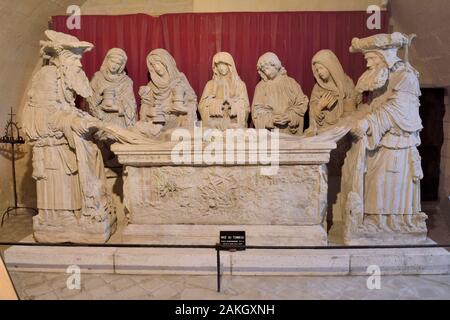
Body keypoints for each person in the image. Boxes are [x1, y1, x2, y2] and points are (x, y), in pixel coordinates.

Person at [332, 33, 427, 243]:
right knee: (375, 183)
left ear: (385, 56)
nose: (367, 63)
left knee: (386, 182)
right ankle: (374, 221)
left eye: (371, 58)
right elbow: (374, 105)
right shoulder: (383, 77)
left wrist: (368, 122)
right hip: (379, 141)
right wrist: (353, 118)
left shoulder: (406, 77)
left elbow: (396, 108)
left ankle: (391, 223)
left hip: (396, 143)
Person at [22, 30, 116, 243]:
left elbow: (65, 107)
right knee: (57, 181)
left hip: (65, 142)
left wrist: (81, 117)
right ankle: (58, 219)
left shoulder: (64, 78)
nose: (80, 65)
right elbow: (43, 113)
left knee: (86, 159)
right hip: (52, 145)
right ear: (62, 60)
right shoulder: (47, 76)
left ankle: (80, 212)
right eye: (75, 59)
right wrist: (72, 121)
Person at [138, 48, 197, 136]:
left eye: (158, 64)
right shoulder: (152, 85)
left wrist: (181, 108)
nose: (156, 68)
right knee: (138, 127)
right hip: (158, 121)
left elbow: (192, 101)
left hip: (177, 120)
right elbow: (145, 106)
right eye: (153, 65)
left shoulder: (179, 79)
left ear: (166, 63)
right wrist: (149, 111)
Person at [252, 52, 309, 135]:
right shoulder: (260, 87)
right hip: (271, 133)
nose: (266, 72)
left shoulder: (290, 83)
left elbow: (302, 103)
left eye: (267, 68)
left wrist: (290, 116)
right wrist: (271, 119)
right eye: (263, 70)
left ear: (275, 65)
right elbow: (256, 112)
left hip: (290, 131)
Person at [308, 49, 361, 133]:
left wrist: (345, 101)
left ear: (330, 65)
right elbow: (312, 115)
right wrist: (319, 106)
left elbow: (354, 108)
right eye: (317, 70)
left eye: (321, 68)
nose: (319, 72)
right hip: (324, 130)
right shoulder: (317, 88)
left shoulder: (346, 83)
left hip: (344, 129)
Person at [198, 52, 249, 129]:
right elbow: (202, 105)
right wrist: (218, 104)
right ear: (215, 67)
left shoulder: (240, 85)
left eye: (224, 64)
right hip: (215, 124)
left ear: (230, 65)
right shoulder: (210, 84)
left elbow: (246, 107)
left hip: (234, 124)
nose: (221, 67)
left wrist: (232, 104)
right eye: (218, 65)